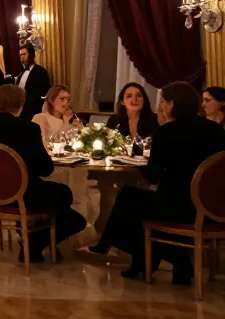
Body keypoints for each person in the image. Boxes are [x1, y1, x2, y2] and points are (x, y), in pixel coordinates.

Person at [93, 81, 225, 282]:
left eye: (163, 102)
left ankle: (140, 257)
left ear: (172, 104)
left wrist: (137, 160)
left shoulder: (167, 132)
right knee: (136, 201)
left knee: (128, 198)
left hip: (176, 208)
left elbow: (152, 176)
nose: (161, 106)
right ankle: (158, 262)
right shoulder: (215, 131)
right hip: (211, 209)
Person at [0, 84, 85, 263]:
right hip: (23, 192)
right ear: (21, 104)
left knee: (60, 202)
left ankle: (32, 238)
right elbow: (45, 169)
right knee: (69, 206)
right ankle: (34, 243)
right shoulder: (28, 129)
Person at [13, 45, 51, 119]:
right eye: (20, 55)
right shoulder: (21, 72)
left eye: (24, 54)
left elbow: (43, 92)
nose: (22, 57)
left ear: (31, 55)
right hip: (21, 110)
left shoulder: (40, 71)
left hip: (34, 110)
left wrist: (27, 101)